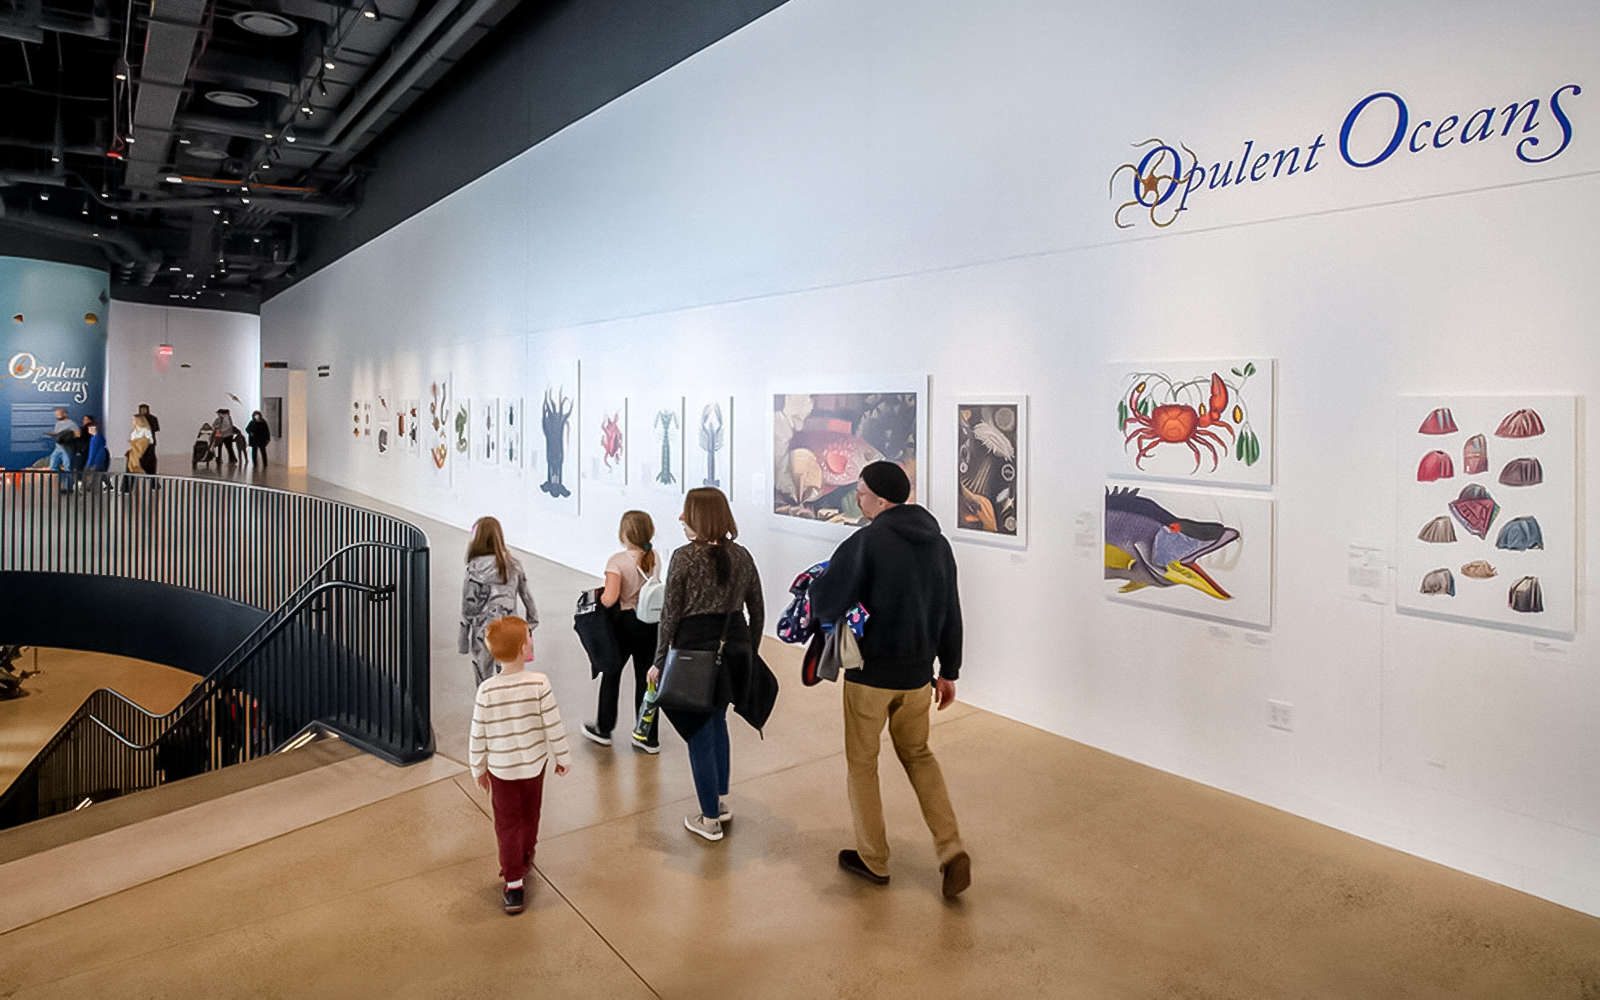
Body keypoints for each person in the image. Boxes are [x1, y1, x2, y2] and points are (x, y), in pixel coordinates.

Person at [810, 460, 970, 899]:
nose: (856, 497)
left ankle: (873, 859)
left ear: (879, 499)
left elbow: (826, 603)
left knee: (862, 764)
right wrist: (949, 672)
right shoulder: (938, 544)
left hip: (870, 675)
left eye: (860, 491)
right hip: (918, 678)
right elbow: (950, 611)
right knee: (918, 755)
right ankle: (951, 848)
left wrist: (817, 590)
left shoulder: (866, 542)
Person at [648, 487, 775, 843]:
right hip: (733, 645)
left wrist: (659, 661)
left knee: (698, 730)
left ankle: (708, 819)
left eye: (686, 512)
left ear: (699, 518)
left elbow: (670, 615)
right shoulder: (743, 555)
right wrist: (749, 651)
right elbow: (759, 610)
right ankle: (718, 801)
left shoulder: (684, 557)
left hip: (695, 650)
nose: (680, 518)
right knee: (717, 719)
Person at [470, 615, 571, 915]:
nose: (532, 639)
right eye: (528, 636)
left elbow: (478, 734)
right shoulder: (540, 684)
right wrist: (562, 757)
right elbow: (553, 724)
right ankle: (526, 852)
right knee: (531, 813)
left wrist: (478, 768)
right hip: (534, 767)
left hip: (502, 771)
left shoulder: (486, 691)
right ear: (520, 648)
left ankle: (513, 881)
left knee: (507, 823)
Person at [582, 511, 661, 752]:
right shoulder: (654, 556)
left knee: (612, 672)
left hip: (624, 624)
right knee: (646, 678)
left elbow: (609, 599)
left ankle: (604, 728)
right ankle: (647, 736)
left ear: (624, 533)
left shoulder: (616, 561)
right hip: (649, 623)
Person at [460, 516, 539, 687]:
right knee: (509, 673)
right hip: (509, 626)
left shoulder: (473, 568)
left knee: (483, 674)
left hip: (482, 631)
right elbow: (526, 596)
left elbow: (467, 608)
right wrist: (531, 623)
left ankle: (487, 708)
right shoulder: (513, 564)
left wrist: (463, 640)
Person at [44, 407, 76, 492]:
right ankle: (65, 481)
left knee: (67, 467)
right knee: (53, 466)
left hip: (66, 447)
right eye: (56, 415)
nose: (57, 416)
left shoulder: (71, 424)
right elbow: (57, 433)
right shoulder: (58, 423)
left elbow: (77, 434)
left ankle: (69, 487)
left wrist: (68, 437)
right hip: (58, 447)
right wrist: (53, 434)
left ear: (64, 414)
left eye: (58, 414)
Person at [123, 412, 155, 493]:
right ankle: (126, 488)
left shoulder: (145, 431)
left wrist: (138, 444)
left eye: (133, 420)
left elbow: (150, 442)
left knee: (147, 470)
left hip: (142, 454)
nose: (132, 422)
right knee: (129, 469)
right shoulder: (134, 431)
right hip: (133, 454)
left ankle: (153, 485)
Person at [83, 416, 110, 492]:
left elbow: (93, 452)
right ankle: (108, 485)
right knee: (101, 474)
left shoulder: (94, 439)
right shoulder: (100, 437)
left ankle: (87, 487)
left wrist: (89, 463)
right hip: (102, 460)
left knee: (91, 473)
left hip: (95, 461)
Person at [136, 404, 160, 473]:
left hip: (150, 442)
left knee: (150, 457)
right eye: (142, 409)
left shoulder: (152, 418)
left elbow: (156, 428)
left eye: (144, 409)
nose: (143, 411)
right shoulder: (137, 418)